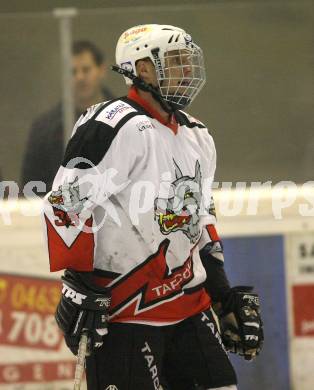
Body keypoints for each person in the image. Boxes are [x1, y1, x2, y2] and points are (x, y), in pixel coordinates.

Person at [43, 24, 263, 390]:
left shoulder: (198, 135)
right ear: (142, 68)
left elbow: (200, 221)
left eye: (188, 62)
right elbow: (64, 206)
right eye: (176, 61)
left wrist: (222, 297)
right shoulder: (112, 126)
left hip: (188, 307)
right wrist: (78, 286)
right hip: (124, 311)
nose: (187, 71)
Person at [21, 40, 114, 195]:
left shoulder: (126, 120)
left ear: (101, 70)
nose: (80, 77)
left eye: (86, 69)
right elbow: (31, 186)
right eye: (73, 72)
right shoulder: (44, 129)